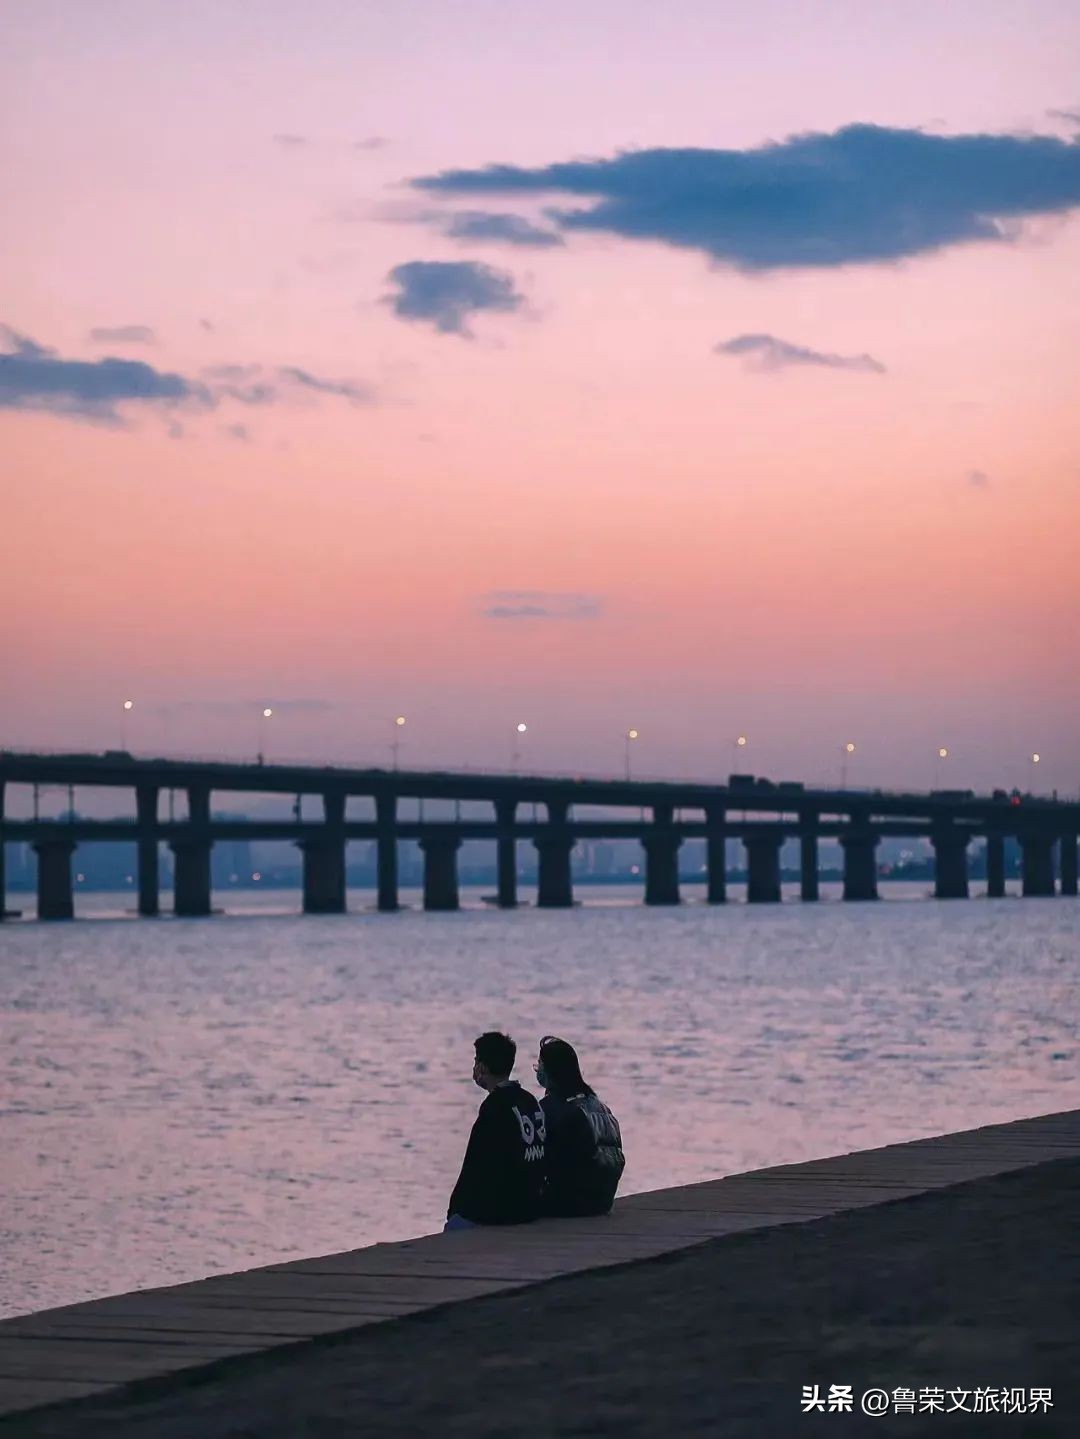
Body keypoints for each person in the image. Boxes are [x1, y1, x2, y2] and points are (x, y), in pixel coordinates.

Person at [445, 1031, 546, 1229]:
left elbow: (475, 1166)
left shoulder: (494, 1107)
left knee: (455, 1226)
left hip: (504, 1210)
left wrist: (455, 1210)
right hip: (532, 1205)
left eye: (476, 1061)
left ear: (482, 1066)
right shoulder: (529, 1100)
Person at [535, 1036, 625, 1217]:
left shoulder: (551, 1108)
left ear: (550, 1070)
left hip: (570, 1202)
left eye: (540, 1065)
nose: (537, 1070)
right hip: (603, 1200)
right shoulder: (599, 1106)